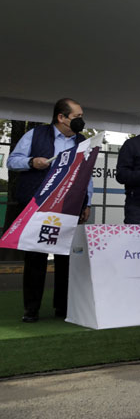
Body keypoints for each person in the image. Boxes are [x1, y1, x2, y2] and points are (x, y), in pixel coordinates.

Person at [7, 98, 93, 322]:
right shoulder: (35, 135)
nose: (81, 121)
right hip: (39, 206)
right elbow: (12, 161)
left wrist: (88, 201)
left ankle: (62, 308)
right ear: (61, 117)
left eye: (82, 116)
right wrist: (31, 162)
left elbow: (86, 174)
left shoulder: (82, 141)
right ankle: (31, 310)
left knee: (66, 257)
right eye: (77, 117)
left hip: (69, 205)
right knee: (36, 258)